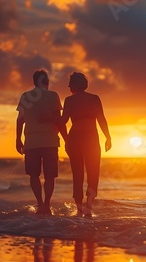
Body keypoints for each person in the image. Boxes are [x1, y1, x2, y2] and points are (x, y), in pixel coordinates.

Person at [60, 72, 111, 217]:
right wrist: (108, 137)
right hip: (91, 138)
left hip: (75, 138)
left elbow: (63, 121)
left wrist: (51, 118)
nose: (69, 87)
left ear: (74, 85)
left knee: (77, 174)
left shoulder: (69, 101)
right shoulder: (94, 99)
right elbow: (101, 119)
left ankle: (79, 210)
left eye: (70, 84)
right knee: (93, 172)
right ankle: (88, 207)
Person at [16, 69, 65, 215]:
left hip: (31, 142)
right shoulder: (53, 96)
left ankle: (40, 204)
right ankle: (47, 205)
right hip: (50, 141)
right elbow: (59, 120)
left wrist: (18, 139)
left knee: (34, 175)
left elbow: (20, 120)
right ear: (47, 82)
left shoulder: (25, 96)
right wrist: (66, 138)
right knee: (50, 176)